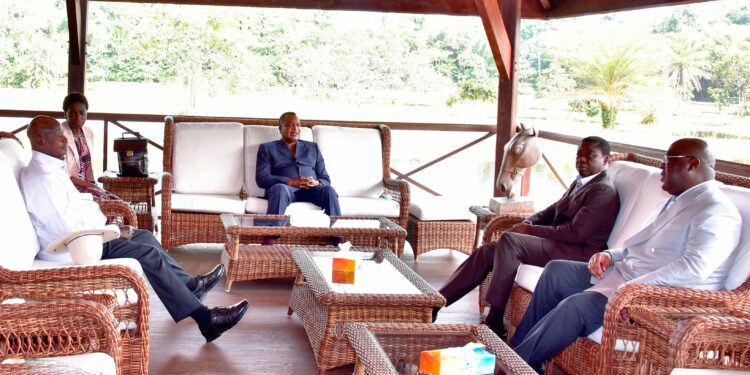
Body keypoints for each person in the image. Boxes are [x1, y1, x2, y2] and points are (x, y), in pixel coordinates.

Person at [509, 138, 742, 371]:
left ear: (692, 164)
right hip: (624, 275)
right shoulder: (679, 200)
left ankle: (515, 365)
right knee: (557, 271)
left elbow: (693, 268)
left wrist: (633, 290)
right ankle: (517, 350)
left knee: (576, 306)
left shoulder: (716, 210)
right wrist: (611, 255)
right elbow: (643, 244)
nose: (662, 168)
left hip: (654, 298)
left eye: (668, 161)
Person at [20, 115, 249, 343]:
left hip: (83, 238)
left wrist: (109, 223)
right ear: (40, 141)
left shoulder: (50, 169)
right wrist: (114, 231)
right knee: (147, 254)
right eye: (57, 136)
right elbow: (69, 228)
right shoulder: (42, 180)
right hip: (73, 249)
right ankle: (206, 320)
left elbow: (76, 210)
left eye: (63, 134)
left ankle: (191, 286)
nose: (64, 139)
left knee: (145, 236)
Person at [435, 136, 620, 338]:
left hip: (578, 253)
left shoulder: (603, 190)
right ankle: (436, 303)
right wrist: (528, 223)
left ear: (605, 160)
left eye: (590, 155)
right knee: (488, 252)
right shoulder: (581, 183)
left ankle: (494, 319)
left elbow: (575, 234)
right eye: (579, 155)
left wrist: (530, 231)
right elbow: (550, 211)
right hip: (559, 243)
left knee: (510, 241)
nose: (582, 160)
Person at [255, 112, 342, 244]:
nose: (295, 128)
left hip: (311, 190)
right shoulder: (267, 148)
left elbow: (325, 178)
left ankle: (337, 235)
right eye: (290, 125)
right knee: (279, 189)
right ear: (280, 128)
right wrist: (289, 181)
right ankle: (270, 237)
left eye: (298, 125)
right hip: (285, 190)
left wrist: (316, 182)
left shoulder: (313, 148)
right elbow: (261, 178)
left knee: (329, 190)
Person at [61, 92, 118, 200]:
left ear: (87, 112)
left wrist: (93, 185)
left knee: (117, 201)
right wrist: (93, 187)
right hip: (70, 187)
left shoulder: (88, 132)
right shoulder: (60, 135)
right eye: (73, 113)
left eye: (82, 112)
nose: (78, 117)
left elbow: (87, 165)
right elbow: (64, 174)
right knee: (108, 202)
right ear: (65, 114)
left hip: (87, 185)